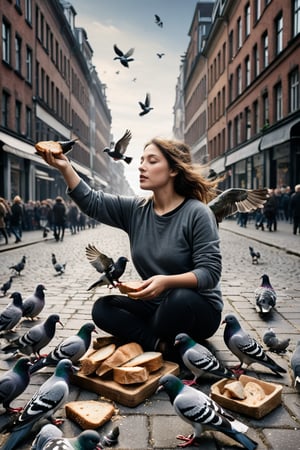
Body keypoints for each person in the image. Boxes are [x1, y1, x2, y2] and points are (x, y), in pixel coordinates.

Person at [40, 137, 223, 361]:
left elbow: (210, 273)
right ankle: (159, 345)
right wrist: (65, 167)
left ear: (174, 170)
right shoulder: (137, 209)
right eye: (142, 160)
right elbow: (92, 202)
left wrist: (166, 282)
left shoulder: (198, 213)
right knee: (102, 307)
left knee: (178, 298)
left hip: (197, 311)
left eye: (152, 161)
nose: (141, 165)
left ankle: (151, 335)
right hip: (156, 307)